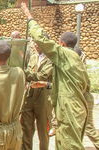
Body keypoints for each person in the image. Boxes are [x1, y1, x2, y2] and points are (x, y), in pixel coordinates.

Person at [21, 3, 90, 149]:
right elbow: (74, 86)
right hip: (74, 108)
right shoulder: (75, 60)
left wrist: (29, 16)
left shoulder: (64, 55)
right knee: (64, 141)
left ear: (62, 44)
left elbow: (42, 39)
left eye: (58, 43)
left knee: (69, 145)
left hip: (69, 110)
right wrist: (47, 85)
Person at [21, 41, 53, 150]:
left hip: (43, 99)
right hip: (29, 97)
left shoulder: (51, 59)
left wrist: (23, 72)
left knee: (43, 130)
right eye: (35, 43)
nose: (36, 45)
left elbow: (42, 76)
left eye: (38, 43)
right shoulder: (33, 57)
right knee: (26, 129)